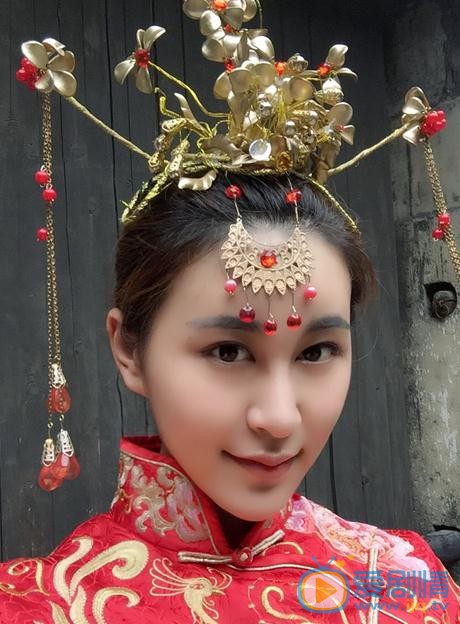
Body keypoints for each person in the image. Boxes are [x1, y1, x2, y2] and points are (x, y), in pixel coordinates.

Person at [4, 1, 459, 621]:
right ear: (129, 349)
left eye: (317, 351)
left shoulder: (411, 586)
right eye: (228, 351)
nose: (278, 418)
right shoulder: (34, 605)